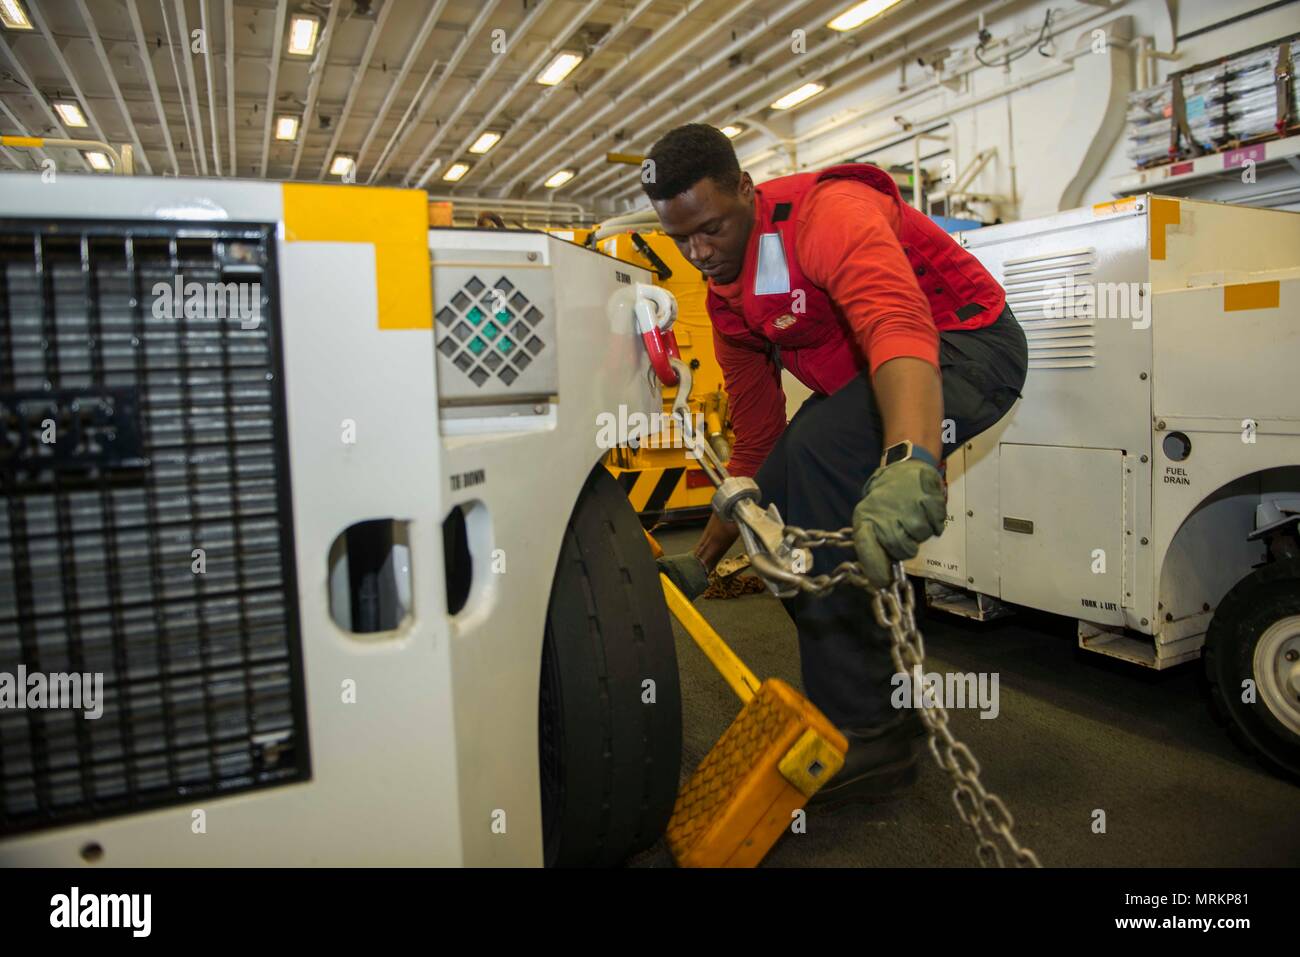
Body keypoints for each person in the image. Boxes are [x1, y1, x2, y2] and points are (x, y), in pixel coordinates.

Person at [643, 124, 1028, 805]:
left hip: (968, 344)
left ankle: (866, 727)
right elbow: (758, 443)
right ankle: (886, 694)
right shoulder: (728, 303)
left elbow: (895, 323)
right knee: (780, 497)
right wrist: (705, 559)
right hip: (878, 378)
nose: (700, 252)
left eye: (712, 228)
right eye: (681, 240)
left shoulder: (825, 215)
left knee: (819, 450)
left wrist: (910, 457)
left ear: (745, 189)